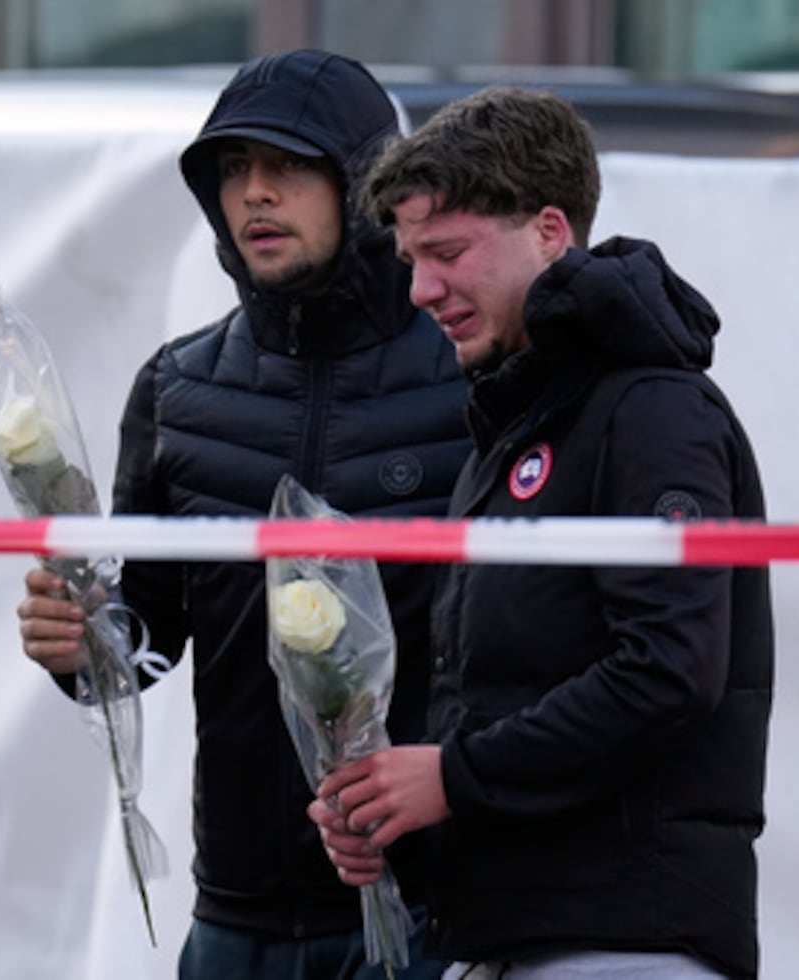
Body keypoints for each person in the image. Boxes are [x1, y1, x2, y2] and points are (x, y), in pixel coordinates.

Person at [16, 49, 471, 979]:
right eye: (233, 168)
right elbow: (146, 637)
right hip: (236, 915)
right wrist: (79, 644)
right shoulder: (175, 389)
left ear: (365, 182)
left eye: (289, 164)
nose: (256, 192)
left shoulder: (471, 381)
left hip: (433, 906)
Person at [309, 87, 774, 980]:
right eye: (410, 260)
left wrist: (449, 778)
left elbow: (669, 670)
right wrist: (393, 805)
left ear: (551, 231)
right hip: (512, 939)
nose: (421, 291)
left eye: (447, 253)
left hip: (625, 945)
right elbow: (505, 694)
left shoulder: (652, 409)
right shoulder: (521, 422)